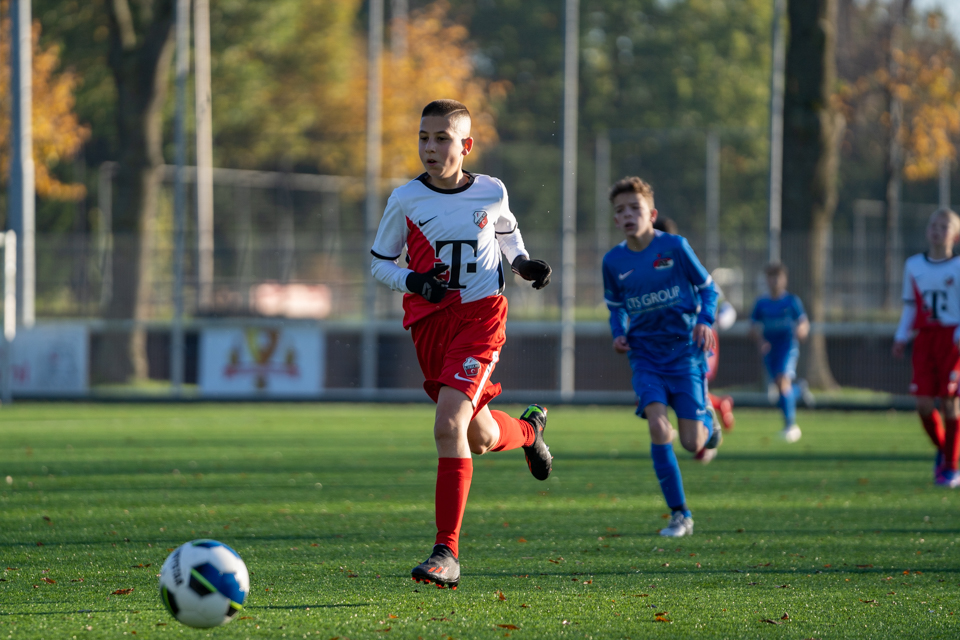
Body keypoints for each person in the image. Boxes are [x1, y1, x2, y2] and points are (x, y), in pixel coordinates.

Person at [369, 99, 554, 589]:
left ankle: (445, 552)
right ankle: (530, 433)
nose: (430, 147)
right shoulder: (406, 199)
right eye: (424, 137)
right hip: (431, 323)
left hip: (481, 317)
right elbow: (379, 262)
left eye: (442, 138)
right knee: (479, 436)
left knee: (449, 422)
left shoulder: (491, 191)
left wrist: (522, 265)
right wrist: (415, 282)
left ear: (466, 145)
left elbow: (507, 231)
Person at [602, 177, 720, 538]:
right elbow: (616, 308)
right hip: (646, 357)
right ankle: (679, 514)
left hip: (685, 353)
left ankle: (708, 419)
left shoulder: (675, 247)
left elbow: (709, 290)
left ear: (651, 213)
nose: (627, 215)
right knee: (657, 426)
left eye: (634, 208)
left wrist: (704, 321)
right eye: (620, 210)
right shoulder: (613, 261)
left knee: (692, 444)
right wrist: (619, 333)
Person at [893, 208, 960, 488]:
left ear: (955, 235)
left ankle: (950, 467)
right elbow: (910, 305)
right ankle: (945, 450)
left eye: (944, 226)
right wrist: (901, 334)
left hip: (952, 340)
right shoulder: (913, 265)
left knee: (950, 402)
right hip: (925, 340)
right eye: (934, 224)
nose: (937, 229)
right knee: (922, 404)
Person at [653, 217, 736, 432]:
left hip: (700, 339)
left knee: (693, 387)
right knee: (673, 388)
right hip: (668, 342)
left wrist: (711, 321)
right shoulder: (650, 274)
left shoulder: (691, 269)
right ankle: (716, 408)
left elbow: (726, 308)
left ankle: (705, 433)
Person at [749, 263, 811, 443]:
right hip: (770, 349)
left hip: (787, 346)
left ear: (784, 280)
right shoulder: (761, 303)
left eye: (778, 277)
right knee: (780, 387)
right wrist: (760, 341)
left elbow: (803, 322)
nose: (774, 281)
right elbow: (752, 327)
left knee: (783, 382)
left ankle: (790, 427)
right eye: (771, 277)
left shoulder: (791, 301)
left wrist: (802, 330)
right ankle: (800, 390)